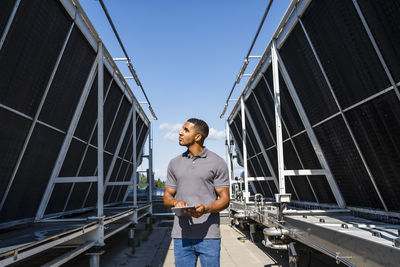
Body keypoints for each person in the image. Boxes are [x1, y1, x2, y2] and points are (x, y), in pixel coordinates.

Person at [163, 118, 230, 267]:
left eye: (186, 130)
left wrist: (207, 209)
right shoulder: (174, 163)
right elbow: (167, 197)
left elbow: (225, 199)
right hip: (181, 236)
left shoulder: (217, 162)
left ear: (198, 137)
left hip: (209, 236)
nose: (180, 133)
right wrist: (175, 202)